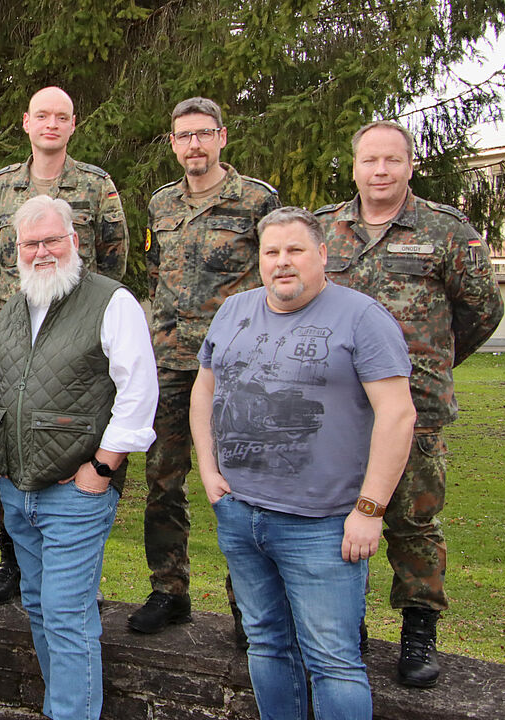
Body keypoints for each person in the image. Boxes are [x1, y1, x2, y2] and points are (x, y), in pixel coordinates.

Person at [191, 206, 416, 718]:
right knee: (266, 643)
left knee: (333, 661)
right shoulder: (233, 310)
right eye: (272, 252)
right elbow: (205, 389)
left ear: (322, 255)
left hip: (324, 526)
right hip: (241, 514)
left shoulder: (362, 317)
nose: (282, 262)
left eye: (295, 250)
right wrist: (208, 468)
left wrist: (370, 508)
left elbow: (398, 415)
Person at [315, 120, 504, 686]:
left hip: (415, 405)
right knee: (333, 520)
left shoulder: (447, 231)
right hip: (339, 407)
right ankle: (347, 627)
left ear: (409, 166)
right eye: (369, 160)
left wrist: (434, 361)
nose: (380, 171)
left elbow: (483, 312)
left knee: (413, 522)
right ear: (354, 166)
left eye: (392, 161)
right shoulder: (327, 229)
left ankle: (419, 634)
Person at [0, 195, 157, 720]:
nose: (41, 252)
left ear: (74, 242)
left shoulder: (111, 301)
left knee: (66, 615)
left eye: (51, 240)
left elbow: (139, 391)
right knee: (38, 607)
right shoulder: (13, 310)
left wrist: (103, 467)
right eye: (30, 243)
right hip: (18, 491)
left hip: (76, 492)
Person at [131, 97, 281, 637]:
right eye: (183, 136)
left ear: (221, 137)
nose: (194, 144)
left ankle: (250, 609)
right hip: (170, 362)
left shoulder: (257, 201)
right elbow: (156, 274)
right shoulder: (161, 204)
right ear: (173, 144)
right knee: (163, 481)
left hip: (237, 366)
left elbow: (275, 275)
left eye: (203, 133)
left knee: (243, 486)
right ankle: (169, 591)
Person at [0, 85, 133, 607]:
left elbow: (114, 256)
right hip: (16, 325)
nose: (51, 123)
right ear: (26, 122)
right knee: (13, 428)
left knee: (70, 422)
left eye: (61, 116)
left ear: (73, 124)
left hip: (74, 321)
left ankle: (77, 520)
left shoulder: (96, 184)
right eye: (41, 115)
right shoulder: (1, 184)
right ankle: (12, 558)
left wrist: (88, 313)